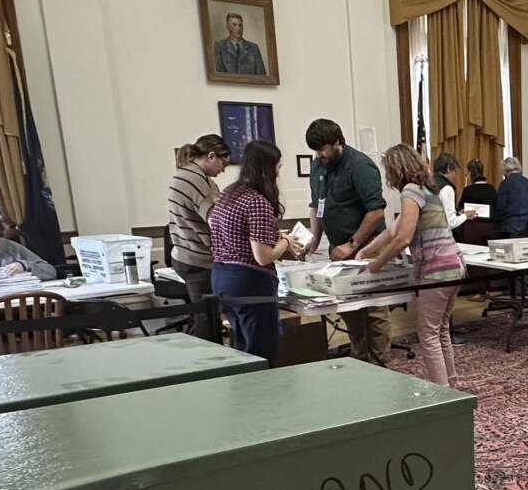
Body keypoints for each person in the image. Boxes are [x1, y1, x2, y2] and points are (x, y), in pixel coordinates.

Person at [360, 144, 465, 389]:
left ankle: (442, 392)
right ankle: (451, 384)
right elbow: (392, 230)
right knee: (441, 331)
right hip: (454, 265)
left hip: (436, 270)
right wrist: (364, 250)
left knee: (427, 334)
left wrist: (376, 263)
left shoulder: (410, 192)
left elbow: (402, 238)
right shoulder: (428, 190)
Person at [303, 118, 391, 365]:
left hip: (368, 245)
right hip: (338, 248)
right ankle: (360, 359)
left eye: (323, 149)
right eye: (316, 150)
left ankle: (380, 364)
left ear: (337, 142)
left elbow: (376, 211)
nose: (319, 155)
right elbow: (316, 204)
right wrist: (315, 237)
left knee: (374, 310)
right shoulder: (318, 166)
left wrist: (352, 245)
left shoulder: (360, 165)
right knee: (350, 308)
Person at [208, 139, 298, 364]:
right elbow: (263, 256)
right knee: (260, 351)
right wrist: (286, 241)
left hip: (221, 277)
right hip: (249, 281)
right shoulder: (257, 201)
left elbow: (235, 234)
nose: (278, 172)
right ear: (267, 167)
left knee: (240, 348)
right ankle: (262, 395)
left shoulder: (229, 193)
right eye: (278, 166)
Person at [167, 134, 230, 338]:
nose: (223, 170)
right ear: (211, 156)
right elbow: (217, 222)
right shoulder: (196, 180)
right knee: (207, 319)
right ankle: (213, 363)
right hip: (198, 259)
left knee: (203, 316)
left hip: (185, 254)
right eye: (223, 163)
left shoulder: (184, 174)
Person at [493, 155, 528, 238]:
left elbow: (501, 206)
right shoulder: (527, 182)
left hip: (510, 227)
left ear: (505, 171)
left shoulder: (505, 183)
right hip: (527, 226)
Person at [213, 12, 266, 76]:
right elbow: (219, 74)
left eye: (240, 25)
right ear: (228, 26)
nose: (238, 28)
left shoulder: (253, 48)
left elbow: (262, 75)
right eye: (234, 25)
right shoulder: (219, 46)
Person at [432, 152, 468, 231]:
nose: (455, 175)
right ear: (448, 169)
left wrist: (457, 213)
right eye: (454, 171)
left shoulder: (428, 182)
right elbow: (450, 222)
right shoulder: (447, 188)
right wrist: (466, 215)